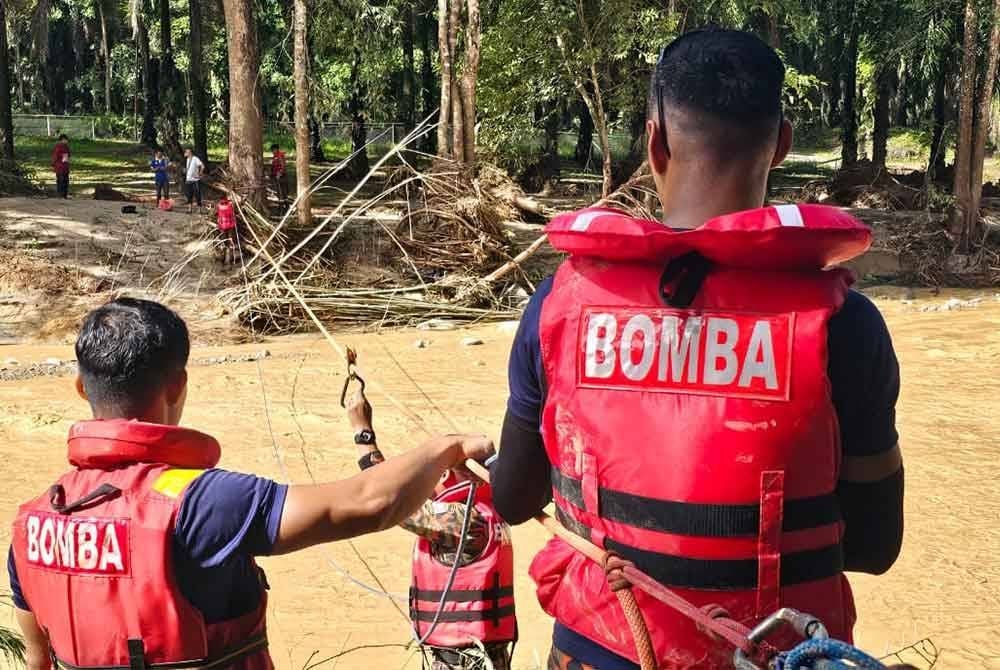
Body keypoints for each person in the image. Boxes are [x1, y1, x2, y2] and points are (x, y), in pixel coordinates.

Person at [491, 29, 904, 670]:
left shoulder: (558, 306)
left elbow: (514, 501)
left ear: (654, 142)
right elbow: (875, 546)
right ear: (782, 144)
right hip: (775, 652)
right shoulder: (847, 325)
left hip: (600, 653)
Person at [7, 298, 493, 670]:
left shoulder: (33, 522)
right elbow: (372, 502)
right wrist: (446, 446)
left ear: (80, 387)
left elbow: (37, 660)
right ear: (178, 385)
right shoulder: (205, 502)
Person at [346, 386, 516, 670]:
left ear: (448, 476)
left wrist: (363, 433)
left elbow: (386, 500)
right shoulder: (488, 513)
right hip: (477, 657)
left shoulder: (464, 521)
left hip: (465, 662)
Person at [216, 195, 240, 266]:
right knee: (231, 241)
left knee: (223, 242)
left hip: (222, 226)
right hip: (230, 226)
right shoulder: (230, 206)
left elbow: (216, 214)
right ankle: (230, 259)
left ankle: (222, 259)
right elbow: (234, 213)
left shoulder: (219, 206)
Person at [184, 147, 204, 212]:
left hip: (195, 180)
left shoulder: (195, 158)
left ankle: (199, 209)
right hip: (188, 180)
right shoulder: (187, 159)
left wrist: (200, 173)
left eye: (186, 152)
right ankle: (190, 209)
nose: (185, 153)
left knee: (197, 195)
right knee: (189, 195)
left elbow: (202, 166)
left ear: (190, 153)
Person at [270, 143, 289, 207]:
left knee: (282, 190)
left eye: (273, 150)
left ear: (276, 149)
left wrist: (279, 174)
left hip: (281, 176)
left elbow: (283, 166)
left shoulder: (280, 156)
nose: (272, 152)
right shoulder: (275, 156)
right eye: (272, 150)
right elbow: (273, 166)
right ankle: (281, 203)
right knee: (279, 190)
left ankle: (285, 204)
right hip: (277, 176)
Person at [51, 134, 70, 199]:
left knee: (66, 181)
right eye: (65, 140)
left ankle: (65, 195)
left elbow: (68, 155)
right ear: (62, 140)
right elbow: (55, 156)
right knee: (60, 181)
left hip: (65, 167)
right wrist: (53, 164)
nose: (66, 141)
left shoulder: (66, 147)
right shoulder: (58, 147)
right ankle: (60, 195)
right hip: (59, 167)